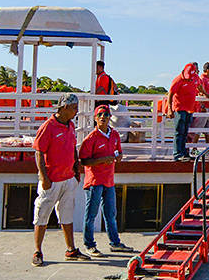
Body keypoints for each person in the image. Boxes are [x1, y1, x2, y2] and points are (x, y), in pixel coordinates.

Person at [31, 94, 91, 266]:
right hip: (52, 179)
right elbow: (39, 152)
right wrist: (44, 177)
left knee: (67, 214)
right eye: (74, 108)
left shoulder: (70, 125)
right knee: (42, 214)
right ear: (64, 107)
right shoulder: (48, 126)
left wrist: (76, 170)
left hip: (68, 178)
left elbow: (73, 147)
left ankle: (70, 249)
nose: (76, 111)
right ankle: (37, 251)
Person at [78, 104, 134, 256]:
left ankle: (115, 243)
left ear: (110, 118)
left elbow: (118, 151)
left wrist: (118, 156)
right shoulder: (91, 138)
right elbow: (84, 161)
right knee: (91, 215)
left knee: (110, 214)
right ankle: (89, 244)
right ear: (95, 118)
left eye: (106, 115)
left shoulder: (114, 135)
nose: (103, 117)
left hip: (108, 181)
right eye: (100, 115)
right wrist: (103, 160)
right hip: (94, 181)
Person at [166, 63, 202, 161]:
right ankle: (177, 154)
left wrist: (205, 94)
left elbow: (199, 85)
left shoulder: (195, 77)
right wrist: (170, 109)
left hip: (190, 108)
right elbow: (171, 94)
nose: (189, 79)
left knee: (185, 132)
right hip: (179, 108)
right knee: (179, 131)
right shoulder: (178, 79)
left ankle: (185, 153)